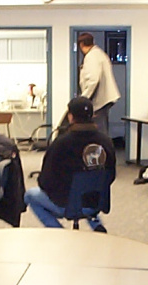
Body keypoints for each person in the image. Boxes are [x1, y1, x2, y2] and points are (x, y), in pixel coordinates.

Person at [25, 97, 116, 232]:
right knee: (87, 188)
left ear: (70, 116)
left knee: (30, 195)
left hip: (66, 203)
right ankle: (95, 223)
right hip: (96, 202)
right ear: (93, 115)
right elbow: (111, 175)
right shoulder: (106, 141)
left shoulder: (61, 143)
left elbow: (46, 180)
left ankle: (60, 232)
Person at [77, 32, 120, 136]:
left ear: (81, 45)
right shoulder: (100, 54)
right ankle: (104, 150)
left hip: (99, 100)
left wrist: (84, 99)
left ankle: (102, 151)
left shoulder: (91, 56)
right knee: (101, 129)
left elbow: (93, 80)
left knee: (99, 131)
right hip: (103, 99)